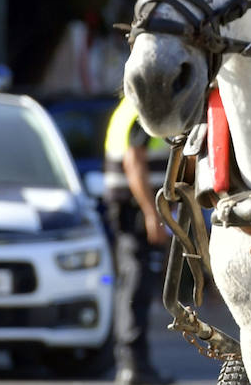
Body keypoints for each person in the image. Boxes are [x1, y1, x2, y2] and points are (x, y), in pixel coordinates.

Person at [104, 97, 173, 385]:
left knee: (135, 283)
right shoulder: (145, 107)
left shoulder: (127, 108)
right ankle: (133, 366)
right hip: (135, 209)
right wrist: (151, 213)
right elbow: (134, 160)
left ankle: (136, 365)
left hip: (128, 208)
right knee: (136, 285)